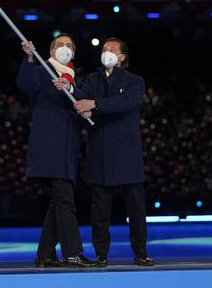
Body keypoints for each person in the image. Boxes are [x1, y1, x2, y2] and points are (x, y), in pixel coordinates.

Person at [69, 37, 154, 267]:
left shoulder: (135, 81)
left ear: (122, 57)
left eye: (113, 50)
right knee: (99, 212)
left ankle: (141, 253)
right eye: (105, 49)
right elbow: (78, 96)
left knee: (136, 210)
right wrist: (70, 90)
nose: (107, 52)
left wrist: (93, 104)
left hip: (127, 154)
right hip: (99, 152)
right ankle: (101, 255)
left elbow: (127, 102)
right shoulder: (91, 79)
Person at [17, 34, 95, 268]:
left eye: (69, 45)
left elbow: (84, 102)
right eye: (59, 45)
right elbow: (26, 84)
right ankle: (72, 253)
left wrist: (69, 86)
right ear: (50, 52)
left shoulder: (76, 79)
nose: (64, 48)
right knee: (65, 201)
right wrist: (29, 58)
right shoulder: (42, 71)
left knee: (59, 202)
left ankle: (45, 255)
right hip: (49, 147)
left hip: (68, 148)